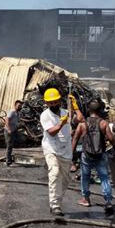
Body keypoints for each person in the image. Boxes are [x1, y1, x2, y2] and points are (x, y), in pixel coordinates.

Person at [40, 88, 83, 216]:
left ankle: (57, 201)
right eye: (50, 102)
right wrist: (61, 123)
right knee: (54, 173)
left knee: (65, 181)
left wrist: (76, 107)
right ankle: (55, 205)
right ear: (46, 103)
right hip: (51, 148)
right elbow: (52, 133)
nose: (53, 104)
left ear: (59, 100)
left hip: (65, 150)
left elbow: (80, 119)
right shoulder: (45, 115)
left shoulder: (66, 112)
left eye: (55, 101)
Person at [72, 101, 115, 214]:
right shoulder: (104, 123)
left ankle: (85, 199)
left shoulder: (83, 124)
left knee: (85, 177)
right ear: (99, 110)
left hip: (86, 154)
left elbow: (75, 138)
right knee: (104, 178)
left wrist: (71, 153)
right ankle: (108, 201)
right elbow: (111, 138)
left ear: (89, 110)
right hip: (100, 154)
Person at [4, 100, 23, 166]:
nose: (20, 107)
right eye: (19, 106)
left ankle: (8, 158)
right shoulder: (12, 112)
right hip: (9, 131)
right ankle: (8, 162)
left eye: (21, 106)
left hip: (13, 131)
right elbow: (6, 119)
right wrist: (9, 130)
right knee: (9, 146)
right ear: (15, 106)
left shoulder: (17, 113)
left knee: (11, 145)